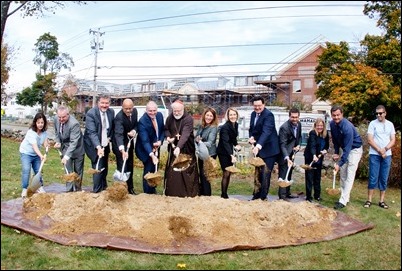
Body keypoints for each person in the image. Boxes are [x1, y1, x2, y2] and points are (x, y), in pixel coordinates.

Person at [164, 99, 199, 197]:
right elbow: (166, 129)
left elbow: (185, 134)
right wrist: (168, 137)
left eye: (178, 111)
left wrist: (179, 147)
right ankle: (173, 193)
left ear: (183, 109)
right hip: (174, 148)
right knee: (174, 172)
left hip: (186, 148)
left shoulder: (188, 119)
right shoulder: (170, 118)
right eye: (174, 111)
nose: (176, 113)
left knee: (186, 171)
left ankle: (189, 194)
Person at [330, 104, 363, 210]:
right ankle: (345, 197)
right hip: (345, 149)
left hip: (355, 150)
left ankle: (343, 200)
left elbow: (348, 148)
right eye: (334, 115)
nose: (336, 117)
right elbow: (335, 140)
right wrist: (336, 152)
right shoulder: (332, 124)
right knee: (343, 174)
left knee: (349, 174)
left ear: (342, 114)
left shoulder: (347, 127)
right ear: (331, 115)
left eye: (338, 115)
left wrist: (339, 163)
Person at [248, 96, 280, 201]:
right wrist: (251, 138)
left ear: (263, 105)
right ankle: (256, 195)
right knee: (258, 173)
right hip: (260, 149)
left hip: (270, 150)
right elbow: (252, 129)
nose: (257, 108)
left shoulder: (269, 115)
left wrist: (258, 146)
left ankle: (262, 198)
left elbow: (266, 132)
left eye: (259, 106)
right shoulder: (253, 114)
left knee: (265, 174)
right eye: (255, 106)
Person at [364, 105, 396, 209]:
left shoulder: (390, 124)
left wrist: (385, 149)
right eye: (377, 113)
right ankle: (369, 200)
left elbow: (393, 140)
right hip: (375, 154)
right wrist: (379, 150)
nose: (378, 115)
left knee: (383, 177)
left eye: (380, 113)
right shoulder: (373, 124)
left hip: (387, 155)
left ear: (385, 113)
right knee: (373, 177)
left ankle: (381, 201)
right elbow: (370, 139)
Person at [84, 94, 115, 193]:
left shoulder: (111, 112)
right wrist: (98, 147)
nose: (104, 105)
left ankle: (104, 188)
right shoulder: (91, 114)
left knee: (104, 168)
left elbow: (110, 128)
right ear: (98, 103)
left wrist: (109, 138)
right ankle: (96, 192)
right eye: (102, 103)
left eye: (107, 103)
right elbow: (92, 133)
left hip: (105, 144)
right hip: (94, 146)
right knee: (98, 168)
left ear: (109, 103)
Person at [135, 100, 165, 194]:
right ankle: (147, 193)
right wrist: (152, 155)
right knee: (148, 170)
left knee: (154, 168)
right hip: (145, 150)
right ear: (146, 110)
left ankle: (153, 189)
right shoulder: (142, 121)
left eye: (154, 110)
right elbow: (145, 141)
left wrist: (160, 141)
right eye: (150, 111)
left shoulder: (159, 115)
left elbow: (162, 131)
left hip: (156, 147)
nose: (152, 113)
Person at [54, 106, 86, 192]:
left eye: (63, 117)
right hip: (65, 147)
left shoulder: (74, 124)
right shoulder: (56, 119)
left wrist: (66, 156)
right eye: (59, 117)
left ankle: (78, 190)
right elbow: (56, 132)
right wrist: (58, 141)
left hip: (78, 149)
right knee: (68, 170)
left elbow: (73, 143)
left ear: (68, 114)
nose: (61, 119)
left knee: (77, 171)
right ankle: (69, 191)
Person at [19, 112, 49, 197]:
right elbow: (35, 147)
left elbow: (44, 142)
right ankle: (24, 189)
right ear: (35, 123)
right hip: (26, 153)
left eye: (42, 122)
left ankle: (40, 187)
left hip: (36, 154)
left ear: (44, 123)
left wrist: (46, 144)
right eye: (38, 122)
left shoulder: (44, 133)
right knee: (26, 170)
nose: (40, 124)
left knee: (38, 171)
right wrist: (41, 156)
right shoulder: (31, 133)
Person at [112, 98, 138, 195]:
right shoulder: (119, 117)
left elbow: (136, 125)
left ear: (133, 107)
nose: (128, 110)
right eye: (126, 108)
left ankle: (130, 188)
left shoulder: (134, 112)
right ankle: (121, 190)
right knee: (123, 166)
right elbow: (118, 134)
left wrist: (134, 131)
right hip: (120, 145)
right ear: (122, 107)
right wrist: (122, 150)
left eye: (130, 108)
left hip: (129, 143)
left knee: (130, 165)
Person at [217, 107, 242, 199]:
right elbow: (225, 142)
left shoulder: (235, 125)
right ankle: (223, 194)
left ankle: (225, 193)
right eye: (230, 115)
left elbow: (233, 138)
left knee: (229, 172)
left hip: (229, 151)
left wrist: (237, 144)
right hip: (223, 152)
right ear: (227, 116)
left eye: (234, 114)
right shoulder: (224, 127)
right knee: (226, 172)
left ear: (237, 115)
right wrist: (231, 155)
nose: (232, 116)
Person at [277, 107, 302, 200]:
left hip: (292, 153)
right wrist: (287, 157)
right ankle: (282, 197)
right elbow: (282, 144)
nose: (294, 119)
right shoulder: (284, 127)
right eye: (292, 117)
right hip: (284, 154)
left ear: (299, 117)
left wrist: (298, 145)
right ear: (289, 116)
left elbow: (298, 137)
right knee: (283, 175)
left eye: (296, 117)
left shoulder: (299, 124)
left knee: (289, 173)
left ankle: (287, 193)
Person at [303, 118, 329, 202]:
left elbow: (327, 145)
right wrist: (314, 155)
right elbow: (312, 145)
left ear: (323, 126)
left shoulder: (325, 134)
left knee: (317, 177)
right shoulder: (313, 133)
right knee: (309, 177)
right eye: (318, 125)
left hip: (319, 158)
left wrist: (325, 150)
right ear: (315, 126)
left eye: (321, 126)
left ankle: (317, 196)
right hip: (310, 157)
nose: (319, 127)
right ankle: (308, 197)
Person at [195, 107, 218, 196]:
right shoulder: (201, 126)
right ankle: (202, 193)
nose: (208, 117)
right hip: (201, 154)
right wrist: (197, 139)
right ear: (204, 116)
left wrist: (199, 141)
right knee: (201, 174)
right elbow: (196, 136)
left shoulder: (213, 128)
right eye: (207, 115)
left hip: (209, 155)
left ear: (213, 117)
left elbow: (210, 143)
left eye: (211, 116)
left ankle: (207, 195)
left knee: (206, 176)